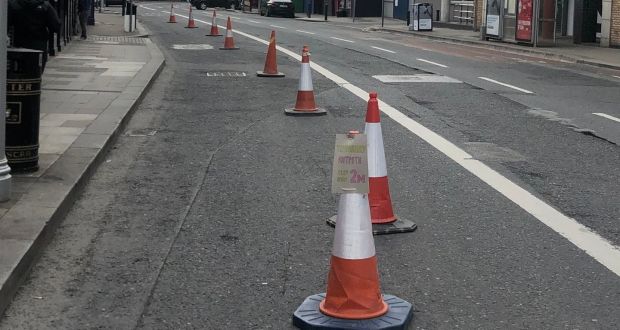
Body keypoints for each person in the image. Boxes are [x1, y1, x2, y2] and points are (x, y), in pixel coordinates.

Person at [8, 0, 61, 72]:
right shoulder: (45, 5)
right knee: (36, 75)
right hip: (39, 47)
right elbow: (56, 26)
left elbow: (5, 24)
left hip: (19, 46)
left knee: (19, 73)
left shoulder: (14, 4)